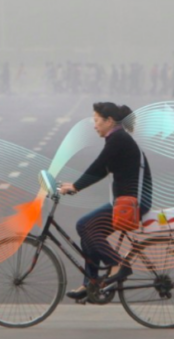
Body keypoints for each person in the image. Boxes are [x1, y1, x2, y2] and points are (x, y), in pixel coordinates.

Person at [58, 102, 153, 300]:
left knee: (84, 225)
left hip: (132, 204)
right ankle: (91, 284)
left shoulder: (118, 139)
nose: (95, 125)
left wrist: (75, 186)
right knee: (89, 230)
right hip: (125, 201)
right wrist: (75, 185)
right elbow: (102, 169)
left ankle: (117, 264)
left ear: (109, 121)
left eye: (97, 121)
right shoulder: (117, 138)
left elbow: (98, 165)